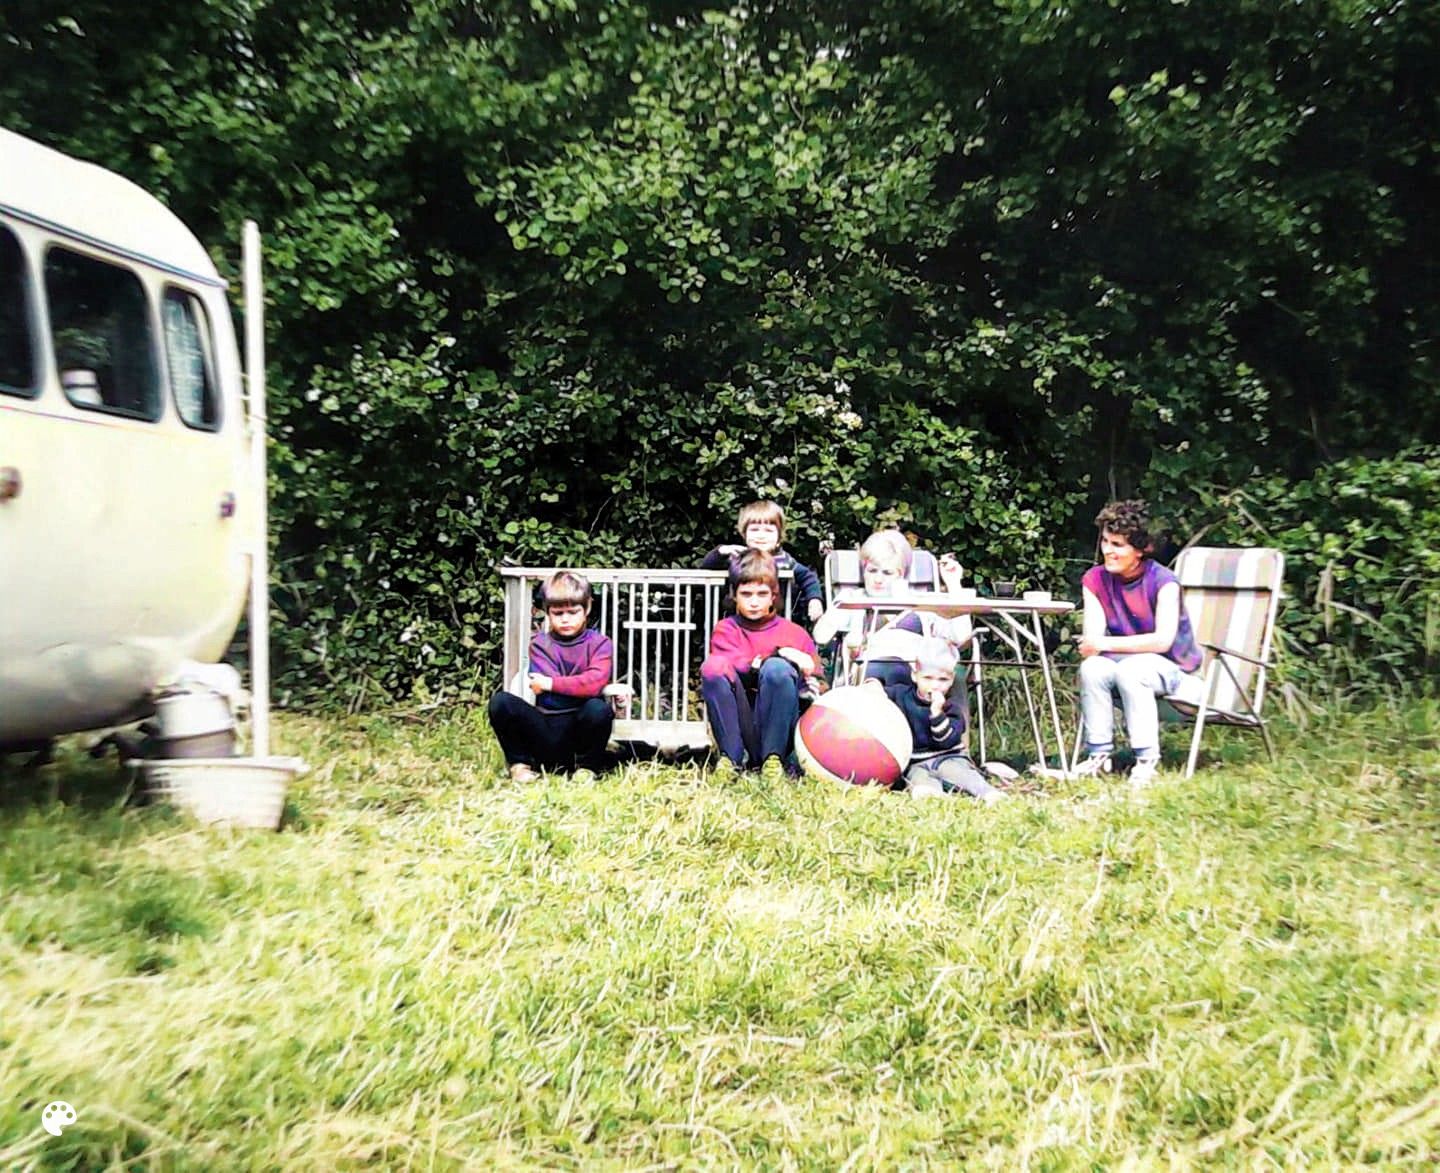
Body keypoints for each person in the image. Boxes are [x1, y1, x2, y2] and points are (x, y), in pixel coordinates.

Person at [1075, 499, 1204, 786]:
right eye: (1105, 541)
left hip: (1179, 678)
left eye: (1118, 545)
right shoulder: (1095, 579)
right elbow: (1093, 642)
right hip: (1127, 667)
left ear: (1140, 550)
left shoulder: (1164, 581)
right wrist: (1098, 646)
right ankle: (1098, 756)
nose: (1108, 550)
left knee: (1131, 670)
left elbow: (1162, 641)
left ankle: (1146, 761)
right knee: (1092, 668)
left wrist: (1103, 644)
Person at [701, 550, 819, 781]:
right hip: (742, 725)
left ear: (774, 595)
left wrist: (808, 675)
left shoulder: (794, 633)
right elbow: (739, 667)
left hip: (783, 728)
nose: (754, 602)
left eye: (762, 594)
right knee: (713, 666)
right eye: (746, 594)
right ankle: (730, 760)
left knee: (777, 670)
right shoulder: (726, 629)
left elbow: (818, 687)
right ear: (734, 595)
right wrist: (778, 654)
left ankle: (774, 761)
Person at [487, 570, 614, 784]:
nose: (565, 619)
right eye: (558, 613)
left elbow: (594, 685)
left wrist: (551, 683)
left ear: (587, 608)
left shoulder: (600, 644)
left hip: (580, 731)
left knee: (598, 709)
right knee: (501, 702)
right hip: (545, 727)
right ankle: (520, 765)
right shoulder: (539, 644)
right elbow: (557, 697)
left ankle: (586, 768)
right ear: (547, 612)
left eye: (573, 612)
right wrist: (578, 686)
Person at [813, 529, 973, 687]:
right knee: (896, 671)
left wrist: (953, 584)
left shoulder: (922, 601)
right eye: (872, 570)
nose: (878, 579)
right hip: (873, 673)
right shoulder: (853, 599)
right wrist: (838, 609)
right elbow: (820, 637)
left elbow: (960, 638)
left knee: (955, 678)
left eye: (887, 573)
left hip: (921, 676)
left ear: (902, 574)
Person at [866, 638, 1003, 803]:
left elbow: (945, 741)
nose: (935, 685)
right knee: (918, 779)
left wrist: (937, 713)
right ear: (914, 675)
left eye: (942, 680)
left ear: (951, 680)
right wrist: (873, 685)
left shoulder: (951, 708)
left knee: (962, 774)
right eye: (928, 678)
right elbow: (879, 692)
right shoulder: (901, 694)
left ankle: (988, 793)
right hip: (916, 762)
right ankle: (931, 794)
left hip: (949, 757)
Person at [698, 499, 824, 626]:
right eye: (754, 530)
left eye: (768, 531)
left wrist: (814, 599)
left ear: (779, 538)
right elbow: (706, 569)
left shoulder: (784, 560)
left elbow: (808, 577)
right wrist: (720, 551)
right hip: (738, 625)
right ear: (744, 534)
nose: (761, 535)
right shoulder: (738, 557)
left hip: (777, 623)